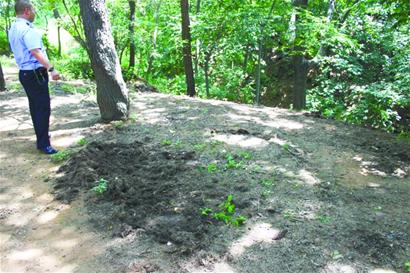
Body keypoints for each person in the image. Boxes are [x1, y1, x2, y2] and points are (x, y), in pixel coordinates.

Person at [8, 0, 61, 154]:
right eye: (33, 10)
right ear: (26, 11)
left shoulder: (14, 27)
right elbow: (36, 52)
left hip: (25, 73)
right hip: (35, 74)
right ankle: (44, 144)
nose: (35, 13)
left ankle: (41, 138)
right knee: (43, 108)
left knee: (35, 107)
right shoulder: (27, 30)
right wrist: (51, 69)